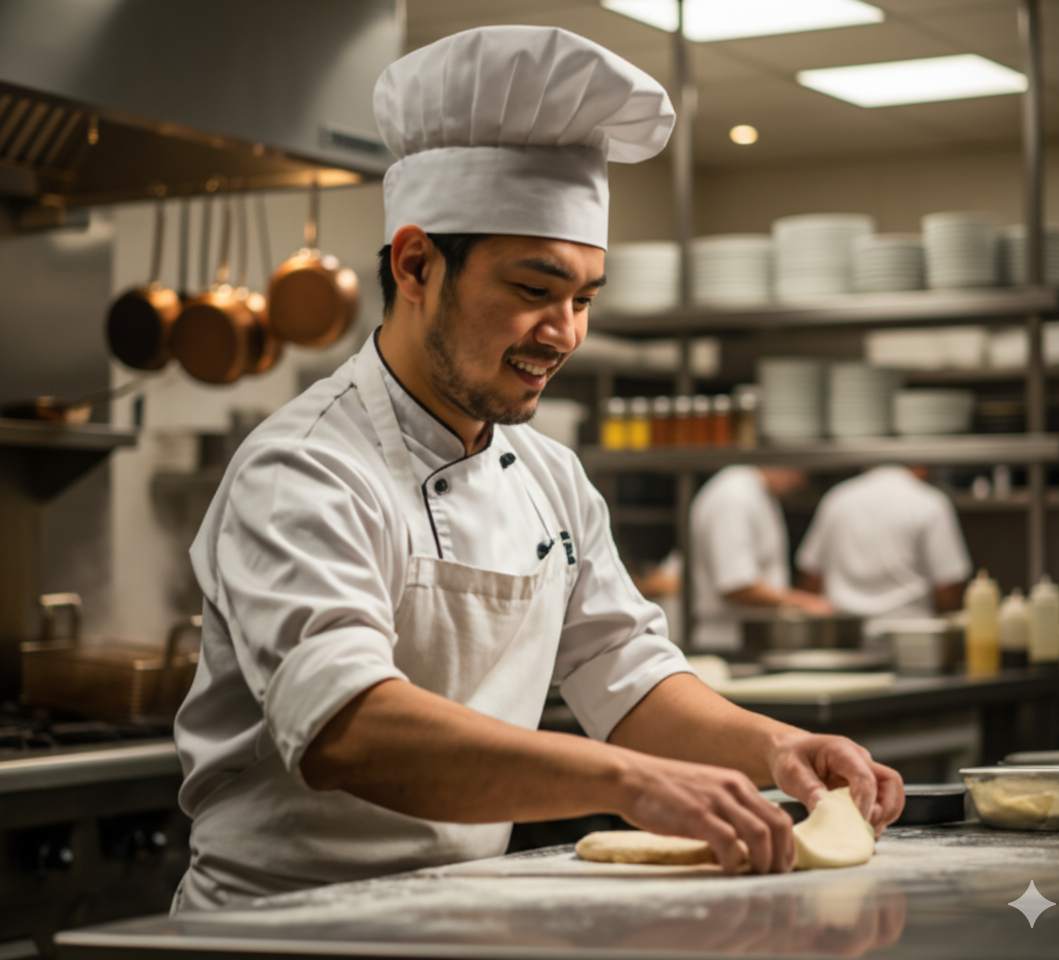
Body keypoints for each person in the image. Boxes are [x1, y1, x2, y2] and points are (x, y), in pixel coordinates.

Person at [172, 26, 904, 911]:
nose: (564, 334)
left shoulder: (548, 475)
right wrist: (630, 782)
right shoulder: (306, 467)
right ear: (415, 265)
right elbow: (346, 729)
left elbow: (623, 669)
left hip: (460, 911)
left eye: (584, 299)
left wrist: (775, 746)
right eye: (532, 290)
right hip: (280, 923)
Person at [796, 465, 972, 622]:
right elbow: (948, 588)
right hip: (910, 633)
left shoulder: (837, 498)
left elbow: (811, 576)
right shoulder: (930, 502)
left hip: (845, 632)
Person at [690, 465, 835, 652]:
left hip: (750, 640)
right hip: (727, 643)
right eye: (798, 469)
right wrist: (806, 602)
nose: (801, 481)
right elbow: (735, 585)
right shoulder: (734, 496)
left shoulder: (759, 494)